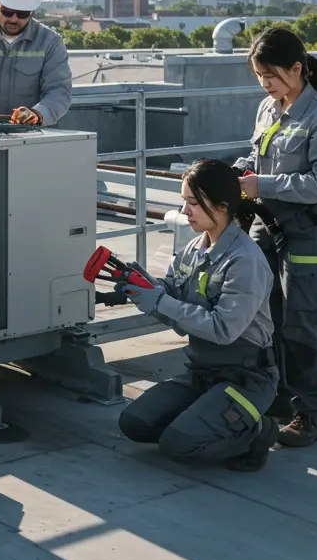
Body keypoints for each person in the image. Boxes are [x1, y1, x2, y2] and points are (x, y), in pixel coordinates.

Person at [116, 158, 280, 472]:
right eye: (184, 202)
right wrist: (145, 287)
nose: (184, 211)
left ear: (221, 206)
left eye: (193, 203)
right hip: (203, 372)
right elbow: (175, 298)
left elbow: (223, 329)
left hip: (246, 378)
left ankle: (259, 432)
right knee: (133, 423)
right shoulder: (194, 247)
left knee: (179, 445)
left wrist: (160, 301)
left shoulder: (246, 260)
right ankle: (206, 415)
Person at [232, 28, 317, 448]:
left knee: (301, 324)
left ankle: (312, 414)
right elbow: (255, 155)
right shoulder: (269, 108)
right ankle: (277, 400)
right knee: (267, 319)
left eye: (272, 75)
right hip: (267, 227)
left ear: (298, 68)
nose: (266, 84)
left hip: (307, 234)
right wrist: (239, 172)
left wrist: (261, 185)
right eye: (260, 76)